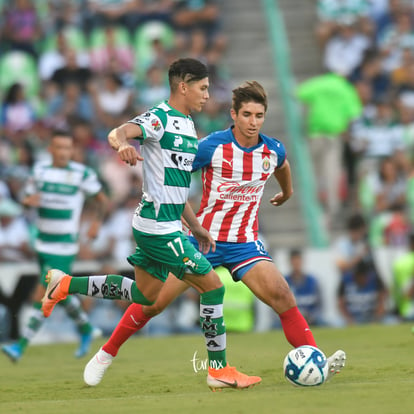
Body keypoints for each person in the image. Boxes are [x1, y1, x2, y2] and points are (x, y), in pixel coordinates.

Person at [82, 80, 346, 387]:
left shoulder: (272, 149)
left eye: (259, 116)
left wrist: (286, 192)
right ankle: (105, 354)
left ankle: (313, 359)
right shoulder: (211, 146)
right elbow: (174, 176)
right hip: (202, 241)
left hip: (244, 243)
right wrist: (179, 214)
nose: (253, 122)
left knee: (283, 296)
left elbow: (283, 165)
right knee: (153, 302)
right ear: (234, 114)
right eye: (247, 114)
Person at [40, 58, 261, 391]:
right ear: (182, 86)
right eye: (202, 88)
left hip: (166, 222)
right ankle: (219, 369)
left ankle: (65, 285)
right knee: (212, 286)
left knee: (144, 295)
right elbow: (120, 132)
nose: (206, 96)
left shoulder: (188, 125)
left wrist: (196, 225)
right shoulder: (160, 118)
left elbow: (176, 187)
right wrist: (123, 145)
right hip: (157, 227)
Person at [1, 130, 108, 362]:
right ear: (50, 149)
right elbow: (26, 198)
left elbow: (102, 200)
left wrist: (96, 224)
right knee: (60, 292)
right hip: (42, 242)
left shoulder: (82, 174)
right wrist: (27, 201)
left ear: (72, 150)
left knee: (45, 292)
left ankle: (20, 345)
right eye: (59, 147)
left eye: (67, 148)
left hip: (64, 246)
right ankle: (87, 328)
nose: (63, 153)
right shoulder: (40, 172)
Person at [285, 249, 324, 326]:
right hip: (290, 321)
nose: (296, 263)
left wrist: (311, 317)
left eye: (298, 260)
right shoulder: (284, 283)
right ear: (290, 262)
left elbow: (320, 305)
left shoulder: (313, 281)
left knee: (326, 323)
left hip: (311, 319)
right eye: (294, 261)